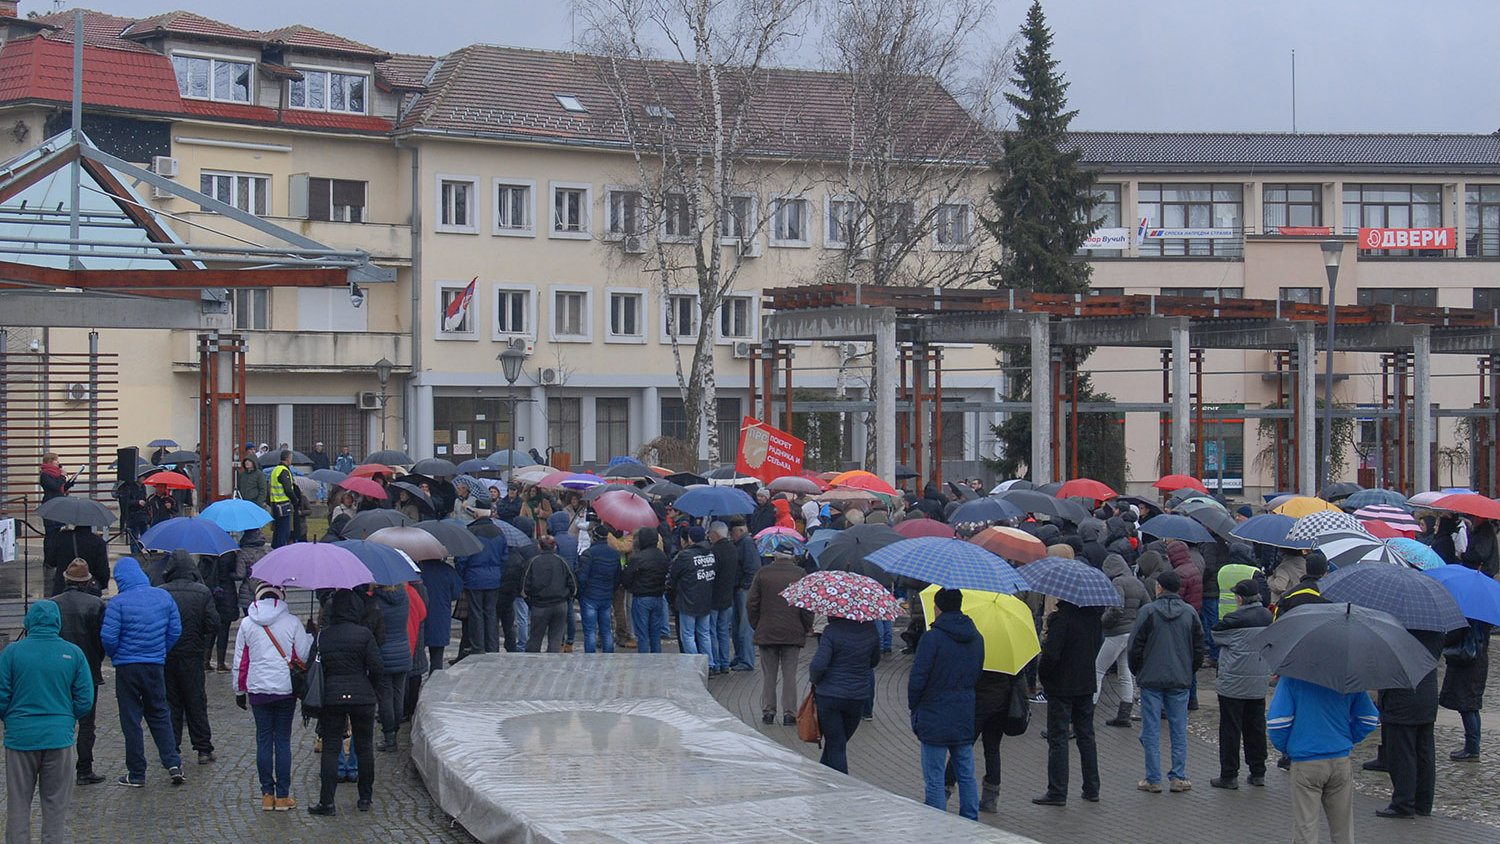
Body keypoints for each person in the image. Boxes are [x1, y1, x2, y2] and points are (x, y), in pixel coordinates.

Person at [0, 600, 94, 843]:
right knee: (55, 808)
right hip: (58, 738)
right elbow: (85, 699)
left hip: (21, 738)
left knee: (19, 804)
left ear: (29, 621)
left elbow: (1, 695)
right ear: (57, 622)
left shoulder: (12, 652)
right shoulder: (73, 653)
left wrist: (11, 718)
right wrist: (65, 717)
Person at [100, 557, 184, 789]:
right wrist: (160, 650)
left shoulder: (118, 603)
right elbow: (175, 630)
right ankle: (173, 763)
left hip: (127, 667)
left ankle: (137, 772)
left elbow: (108, 637)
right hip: (154, 665)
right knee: (159, 713)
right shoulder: (163, 597)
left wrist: (117, 654)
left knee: (131, 720)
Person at [1268, 677, 1380, 844]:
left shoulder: (1292, 678)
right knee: (1343, 830)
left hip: (1306, 760)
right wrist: (1347, 738)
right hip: (1340, 759)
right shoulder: (1348, 678)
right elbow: (1369, 718)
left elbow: (1277, 723)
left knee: (1305, 828)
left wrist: (1288, 748)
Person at [232, 583, 312, 810]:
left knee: (263, 739)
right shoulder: (292, 622)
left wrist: (239, 690)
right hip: (285, 688)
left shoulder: (247, 623)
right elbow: (304, 655)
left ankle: (267, 794)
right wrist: (309, 635)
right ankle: (283, 796)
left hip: (258, 688)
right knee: (283, 741)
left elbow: (240, 660)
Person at [908, 588, 984, 821]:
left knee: (934, 775)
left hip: (934, 711)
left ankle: (938, 821)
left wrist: (914, 706)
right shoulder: (976, 637)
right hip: (964, 711)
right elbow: (977, 672)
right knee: (966, 772)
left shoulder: (932, 638)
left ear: (938, 607)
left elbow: (918, 678)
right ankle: (971, 819)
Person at [1128, 569, 1204, 794]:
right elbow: (1198, 648)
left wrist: (1138, 670)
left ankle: (1153, 777)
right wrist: (1189, 670)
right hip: (1180, 678)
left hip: (1151, 678)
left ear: (1159, 587)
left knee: (1150, 728)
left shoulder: (1148, 612)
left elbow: (1135, 646)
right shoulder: (1189, 613)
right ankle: (1178, 776)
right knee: (1178, 728)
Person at [308, 591, 382, 816]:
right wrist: (368, 686)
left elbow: (312, 666)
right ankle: (365, 798)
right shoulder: (364, 634)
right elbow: (377, 667)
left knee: (331, 749)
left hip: (332, 698)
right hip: (362, 697)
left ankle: (327, 802)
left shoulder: (324, 636)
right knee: (364, 747)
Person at [1032, 596, 1104, 806]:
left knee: (1058, 738)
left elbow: (1051, 655)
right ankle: (1092, 787)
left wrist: (1044, 676)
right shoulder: (1092, 617)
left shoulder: (1061, 619)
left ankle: (1057, 790)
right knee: (1086, 735)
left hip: (1062, 685)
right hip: (1085, 682)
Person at [1209, 579, 1273, 789]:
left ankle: (1229, 775)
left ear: (1240, 598)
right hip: (1258, 681)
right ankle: (1258, 772)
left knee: (1230, 729)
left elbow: (1216, 635)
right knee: (1256, 727)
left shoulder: (1233, 619)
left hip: (1233, 683)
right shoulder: (1267, 616)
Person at [1374, 628, 1444, 818]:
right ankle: (1423, 803)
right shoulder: (1436, 630)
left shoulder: (1395, 630)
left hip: (1402, 697)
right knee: (1424, 752)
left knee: (1402, 753)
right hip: (1426, 695)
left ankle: (1403, 803)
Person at [158, 550, 219, 766]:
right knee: (196, 701)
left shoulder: (162, 592)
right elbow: (213, 623)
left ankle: (171, 747)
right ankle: (203, 748)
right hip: (192, 653)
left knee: (171, 702)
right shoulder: (202, 592)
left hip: (168, 654)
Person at [51, 562, 106, 786]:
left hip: (58, 670)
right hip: (87, 669)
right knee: (86, 722)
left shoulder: (52, 605)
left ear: (65, 580)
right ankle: (84, 768)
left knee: (58, 719)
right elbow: (102, 641)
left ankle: (55, 770)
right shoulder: (96, 605)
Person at [809, 612, 881, 774]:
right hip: (857, 697)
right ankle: (822, 776)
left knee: (836, 745)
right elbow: (874, 661)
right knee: (837, 743)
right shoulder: (871, 630)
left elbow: (818, 665)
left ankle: (842, 786)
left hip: (829, 696)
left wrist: (815, 680)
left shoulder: (831, 631)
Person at [746, 552, 811, 726]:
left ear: (774, 556)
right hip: (792, 632)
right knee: (790, 675)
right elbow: (806, 606)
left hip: (767, 631)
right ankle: (790, 713)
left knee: (769, 675)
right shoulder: (800, 574)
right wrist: (805, 627)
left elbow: (752, 602)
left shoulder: (762, 573)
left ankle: (768, 712)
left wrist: (757, 624)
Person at [1097, 553, 1150, 727]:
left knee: (1097, 670)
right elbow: (1147, 607)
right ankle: (1124, 713)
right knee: (1125, 673)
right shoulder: (1138, 582)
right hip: (1132, 632)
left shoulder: (1117, 582)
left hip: (1117, 632)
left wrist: (1103, 622)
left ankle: (1086, 713)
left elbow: (1116, 608)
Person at [1440, 611, 1491, 762]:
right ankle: (1472, 746)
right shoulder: (1484, 616)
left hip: (1467, 663)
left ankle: (1472, 748)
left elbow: (1453, 637)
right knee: (1471, 705)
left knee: (1467, 706)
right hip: (1477, 661)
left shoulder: (1468, 616)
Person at [371, 584, 411, 749]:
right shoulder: (404, 598)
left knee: (385, 698)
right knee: (398, 695)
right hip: (402, 651)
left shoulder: (376, 601)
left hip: (384, 654)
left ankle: (389, 736)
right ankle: (395, 729)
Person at [455, 527, 506, 656]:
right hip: (493, 578)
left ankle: (478, 647)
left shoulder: (471, 532)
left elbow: (462, 559)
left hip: (474, 578)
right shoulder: (499, 532)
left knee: (476, 613)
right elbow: (504, 557)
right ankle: (492, 646)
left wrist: (462, 576)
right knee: (491, 613)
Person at [522, 535, 576, 653]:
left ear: (539, 547)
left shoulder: (533, 562)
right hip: (560, 605)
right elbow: (573, 584)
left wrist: (531, 603)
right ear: (554, 547)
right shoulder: (562, 561)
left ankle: (532, 666)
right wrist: (568, 599)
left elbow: (524, 588)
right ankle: (554, 665)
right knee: (556, 640)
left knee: (535, 640)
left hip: (539, 606)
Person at [622, 527, 671, 653]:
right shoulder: (662, 556)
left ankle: (644, 662)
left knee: (642, 635)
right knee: (655, 634)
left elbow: (627, 578)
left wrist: (632, 586)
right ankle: (656, 659)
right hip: (658, 596)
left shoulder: (637, 558)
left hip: (641, 597)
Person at [668, 526, 715, 657]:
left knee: (688, 635)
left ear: (690, 539)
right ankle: (709, 664)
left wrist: (671, 596)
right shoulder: (710, 554)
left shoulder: (685, 556)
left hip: (688, 599)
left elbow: (673, 577)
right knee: (704, 634)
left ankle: (694, 665)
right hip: (705, 599)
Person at [577, 525, 621, 653]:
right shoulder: (614, 554)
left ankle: (590, 657)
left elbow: (582, 577)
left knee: (590, 630)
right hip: (606, 595)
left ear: (594, 537)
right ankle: (608, 655)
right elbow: (617, 577)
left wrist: (581, 593)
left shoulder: (589, 554)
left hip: (590, 595)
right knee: (606, 629)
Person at [418, 557, 463, 672]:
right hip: (440, 616)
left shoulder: (417, 571)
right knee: (437, 658)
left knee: (416, 656)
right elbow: (457, 593)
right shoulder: (447, 570)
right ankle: (433, 681)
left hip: (419, 616)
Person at [707, 522, 738, 676]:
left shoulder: (714, 552)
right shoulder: (733, 549)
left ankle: (716, 663)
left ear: (715, 534)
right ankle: (725, 662)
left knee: (712, 631)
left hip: (714, 597)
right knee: (724, 631)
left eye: (710, 533)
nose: (708, 536)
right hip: (728, 596)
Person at [728, 517, 760, 671]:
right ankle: (740, 656)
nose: (731, 536)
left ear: (740, 530)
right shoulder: (743, 543)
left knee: (744, 627)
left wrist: (743, 586)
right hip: (740, 589)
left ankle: (746, 660)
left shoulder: (746, 543)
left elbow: (752, 569)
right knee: (737, 626)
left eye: (732, 532)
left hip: (744, 590)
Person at [44, 524, 109, 597]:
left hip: (62, 589)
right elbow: (103, 572)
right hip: (89, 592)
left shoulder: (62, 537)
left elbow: (50, 561)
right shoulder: (98, 542)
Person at [38, 453, 74, 538]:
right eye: (56, 460)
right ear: (50, 461)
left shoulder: (57, 474)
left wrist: (70, 483)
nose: (58, 462)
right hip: (50, 504)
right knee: (51, 533)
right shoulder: (45, 475)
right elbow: (56, 486)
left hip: (59, 504)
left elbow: (61, 489)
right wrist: (62, 476)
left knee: (59, 532)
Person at [267, 451, 296, 547]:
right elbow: (288, 489)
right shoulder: (284, 471)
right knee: (284, 531)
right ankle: (280, 550)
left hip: (274, 503)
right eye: (291, 458)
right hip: (283, 504)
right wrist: (295, 500)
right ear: (288, 458)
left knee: (277, 531)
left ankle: (274, 549)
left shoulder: (275, 470)